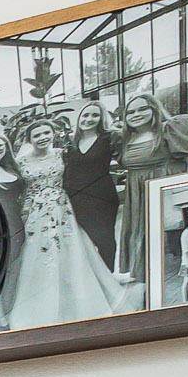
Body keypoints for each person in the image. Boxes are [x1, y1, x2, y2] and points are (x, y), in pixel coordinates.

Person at [0, 105, 137, 331]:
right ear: (29, 139)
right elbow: (15, 186)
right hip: (35, 211)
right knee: (35, 254)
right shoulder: (22, 162)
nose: (42, 138)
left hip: (62, 209)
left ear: (53, 135)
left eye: (46, 133)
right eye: (37, 135)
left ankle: (78, 300)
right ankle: (35, 307)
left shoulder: (62, 154)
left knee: (71, 252)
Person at [117, 91, 188, 237]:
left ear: (155, 109)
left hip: (165, 191)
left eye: (142, 109)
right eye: (130, 112)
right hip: (137, 195)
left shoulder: (170, 128)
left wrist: (186, 191)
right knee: (141, 236)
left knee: (168, 237)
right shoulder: (125, 138)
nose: (136, 114)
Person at [61, 98, 128, 272]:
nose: (89, 119)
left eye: (95, 115)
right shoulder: (70, 142)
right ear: (79, 117)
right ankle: (90, 279)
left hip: (102, 197)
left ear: (101, 118)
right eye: (86, 115)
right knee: (82, 240)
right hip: (75, 198)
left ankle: (108, 275)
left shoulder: (109, 137)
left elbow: (125, 158)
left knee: (104, 239)